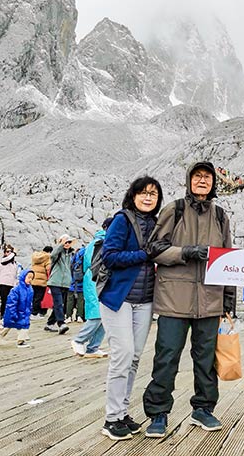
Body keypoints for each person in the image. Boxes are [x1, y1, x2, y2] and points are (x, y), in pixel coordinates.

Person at [142, 162, 235, 438]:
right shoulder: (174, 209)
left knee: (205, 359)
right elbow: (154, 248)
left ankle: (203, 409)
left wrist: (227, 300)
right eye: (197, 177)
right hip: (174, 299)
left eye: (207, 177)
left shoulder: (220, 215)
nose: (202, 181)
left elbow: (228, 259)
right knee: (167, 357)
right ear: (189, 181)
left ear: (213, 182)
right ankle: (158, 413)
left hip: (209, 300)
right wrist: (186, 252)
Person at [99, 176, 166, 441]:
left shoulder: (158, 224)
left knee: (135, 356)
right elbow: (110, 255)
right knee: (123, 354)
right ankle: (111, 417)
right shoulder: (122, 220)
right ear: (133, 195)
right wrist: (145, 254)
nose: (148, 197)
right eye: (143, 193)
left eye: (153, 193)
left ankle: (122, 413)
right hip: (119, 299)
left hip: (145, 300)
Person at [71, 218, 113, 359]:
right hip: (94, 279)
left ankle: (93, 347)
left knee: (104, 316)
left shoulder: (103, 242)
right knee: (97, 313)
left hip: (102, 280)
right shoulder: (99, 243)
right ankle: (79, 340)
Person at [0, 269, 34, 348]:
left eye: (32, 278)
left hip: (24, 312)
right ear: (23, 277)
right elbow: (11, 303)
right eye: (29, 277)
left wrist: (29, 310)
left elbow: (30, 302)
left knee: (24, 326)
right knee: (6, 326)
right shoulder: (16, 290)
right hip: (14, 312)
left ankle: (21, 341)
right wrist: (12, 313)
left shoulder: (30, 290)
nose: (30, 280)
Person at [44, 235, 75, 334]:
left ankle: (49, 324)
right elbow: (52, 255)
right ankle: (61, 323)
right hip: (55, 282)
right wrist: (61, 245)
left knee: (60, 304)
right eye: (65, 242)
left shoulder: (71, 254)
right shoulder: (58, 252)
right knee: (58, 302)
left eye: (69, 242)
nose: (67, 244)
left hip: (65, 283)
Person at [0, 244, 19, 319]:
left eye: (10, 251)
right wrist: (14, 253)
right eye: (7, 252)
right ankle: (3, 315)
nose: (8, 253)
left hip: (11, 283)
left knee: (10, 300)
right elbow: (8, 258)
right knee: (4, 300)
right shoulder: (3, 260)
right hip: (3, 283)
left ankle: (9, 314)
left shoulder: (15, 264)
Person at [66, 245, 86, 322]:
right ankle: (79, 316)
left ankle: (68, 316)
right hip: (81, 282)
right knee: (80, 300)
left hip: (72, 282)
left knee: (70, 300)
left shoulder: (74, 258)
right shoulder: (84, 257)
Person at [30, 246, 52, 318]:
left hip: (34, 279)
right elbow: (48, 269)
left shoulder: (35, 256)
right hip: (42, 281)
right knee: (40, 297)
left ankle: (33, 312)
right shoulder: (47, 257)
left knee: (34, 297)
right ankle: (36, 313)